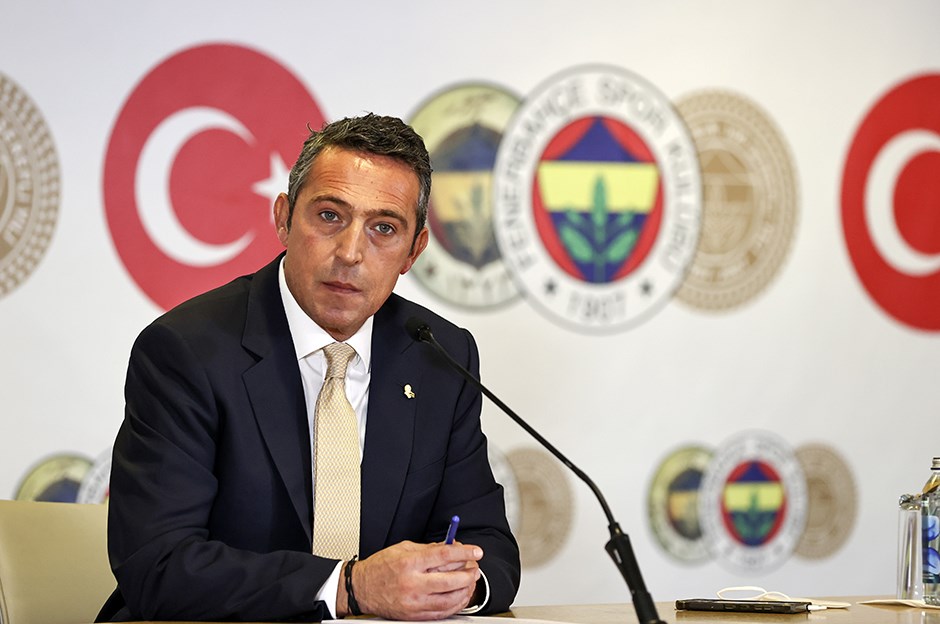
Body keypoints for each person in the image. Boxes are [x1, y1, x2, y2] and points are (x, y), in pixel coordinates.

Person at [97, 114, 520, 622]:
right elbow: (159, 566)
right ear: (284, 218)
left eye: (384, 229)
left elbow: (487, 545)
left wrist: (453, 585)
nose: (351, 253)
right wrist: (349, 588)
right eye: (330, 216)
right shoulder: (187, 350)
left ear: (414, 251)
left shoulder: (439, 356)